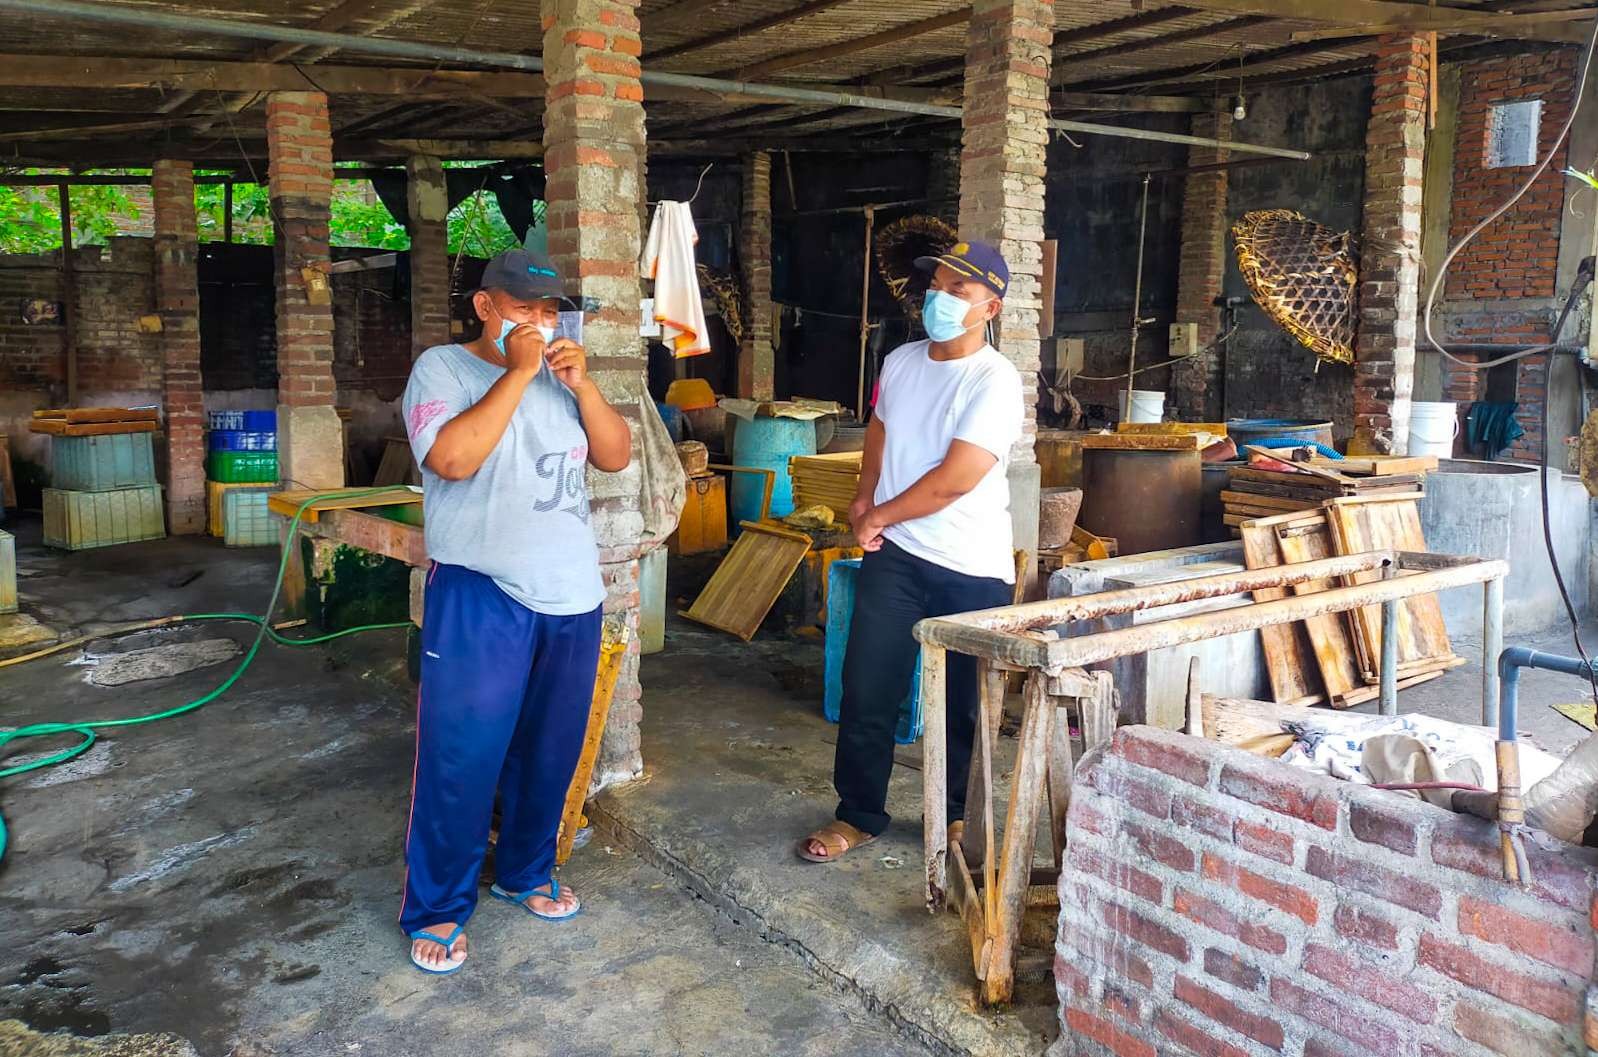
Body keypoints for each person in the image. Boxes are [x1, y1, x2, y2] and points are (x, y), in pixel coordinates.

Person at [398, 248, 632, 974]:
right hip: (481, 590)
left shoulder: (566, 381)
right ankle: (437, 907)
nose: (537, 322)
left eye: (547, 311)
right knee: (462, 755)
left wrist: (584, 387)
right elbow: (452, 460)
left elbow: (617, 456)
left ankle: (527, 871)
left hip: (571, 593)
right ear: (485, 307)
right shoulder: (442, 369)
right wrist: (518, 372)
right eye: (521, 309)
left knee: (550, 750)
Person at [797, 240, 1023, 864]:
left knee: (961, 704)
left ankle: (953, 817)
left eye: (958, 291)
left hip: (969, 564)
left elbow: (957, 477)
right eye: (937, 286)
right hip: (895, 556)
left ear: (990, 308)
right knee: (868, 687)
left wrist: (880, 514)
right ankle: (859, 814)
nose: (940, 299)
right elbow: (881, 433)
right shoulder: (899, 362)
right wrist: (863, 498)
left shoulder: (995, 381)